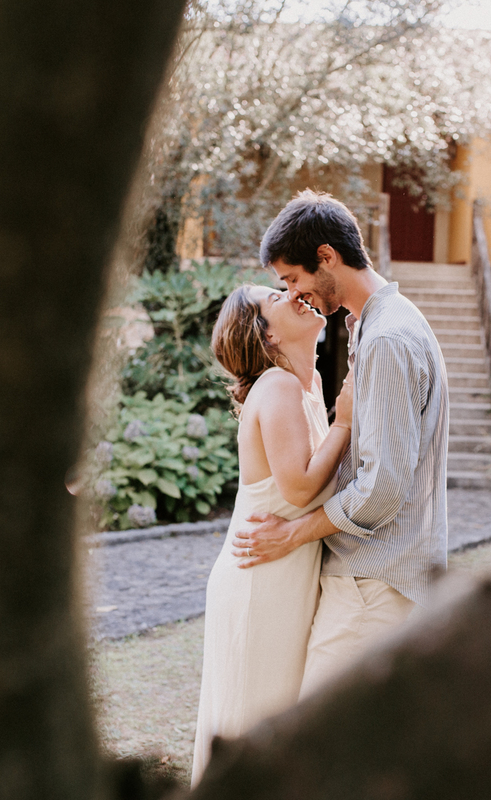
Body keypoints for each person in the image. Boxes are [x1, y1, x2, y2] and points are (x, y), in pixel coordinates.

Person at [234, 189, 449, 700]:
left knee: (316, 753)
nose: (295, 294)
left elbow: (383, 488)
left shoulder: (387, 339)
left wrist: (292, 535)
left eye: (293, 279)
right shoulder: (370, 327)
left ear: (326, 257)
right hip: (370, 581)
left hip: (372, 584)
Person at [191, 282, 354, 786]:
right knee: (251, 728)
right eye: (275, 298)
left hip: (281, 574)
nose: (293, 293)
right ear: (265, 336)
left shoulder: (304, 388)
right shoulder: (279, 388)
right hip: (259, 584)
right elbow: (302, 487)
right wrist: (345, 424)